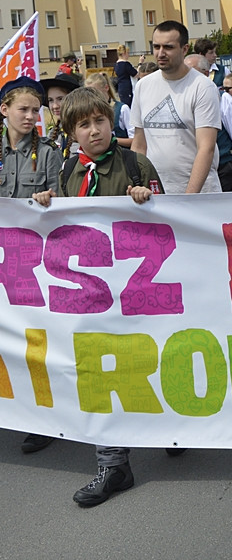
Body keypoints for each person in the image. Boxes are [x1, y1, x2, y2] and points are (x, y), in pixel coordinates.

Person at [31, 87, 164, 507]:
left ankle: (175, 427)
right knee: (100, 371)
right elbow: (58, 228)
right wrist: (44, 205)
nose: (94, 131)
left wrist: (149, 202)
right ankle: (113, 463)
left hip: (139, 288)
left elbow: (176, 224)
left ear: (112, 121)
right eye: (84, 125)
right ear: (71, 132)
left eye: (100, 121)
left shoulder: (135, 164)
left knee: (152, 361)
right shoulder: (67, 170)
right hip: (91, 292)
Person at [0, 76, 68, 454]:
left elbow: (61, 199)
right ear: (4, 110)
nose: (30, 116)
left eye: (35, 110)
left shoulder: (47, 153)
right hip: (1, 259)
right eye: (22, 109)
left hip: (32, 260)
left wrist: (49, 198)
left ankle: (43, 416)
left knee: (35, 338)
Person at [131, 21, 221, 194]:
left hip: (198, 194)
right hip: (154, 193)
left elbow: (206, 148)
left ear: (184, 49)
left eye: (168, 47)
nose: (161, 53)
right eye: (156, 46)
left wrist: (188, 198)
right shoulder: (143, 86)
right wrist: (137, 183)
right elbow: (139, 144)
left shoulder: (203, 87)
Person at [83, 72, 132, 148]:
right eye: (89, 93)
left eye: (96, 92)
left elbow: (135, 140)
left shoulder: (122, 109)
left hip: (121, 156)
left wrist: (112, 139)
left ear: (106, 88)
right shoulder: (88, 112)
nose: (93, 97)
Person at [42, 73, 80, 157]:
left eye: (60, 99)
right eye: (50, 100)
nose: (55, 106)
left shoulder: (84, 131)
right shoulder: (52, 134)